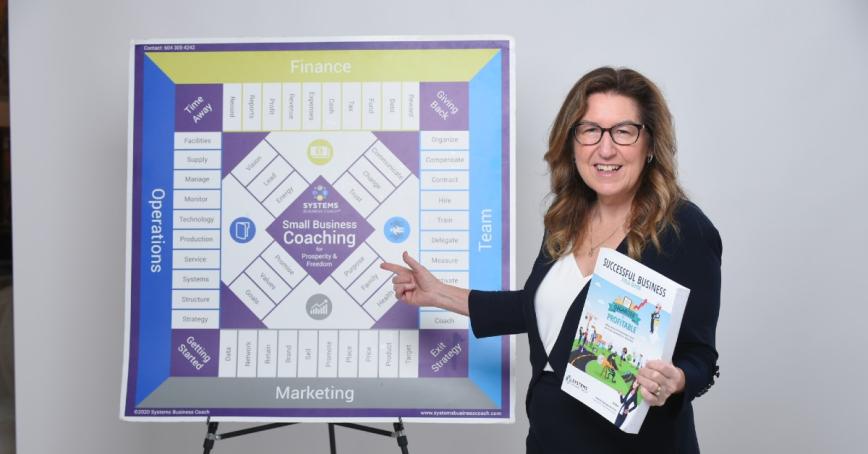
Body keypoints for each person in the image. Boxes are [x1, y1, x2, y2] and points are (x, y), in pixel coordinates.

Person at [381, 67, 721, 453]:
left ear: (651, 144)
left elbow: (701, 357)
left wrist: (674, 380)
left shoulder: (682, 229)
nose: (605, 149)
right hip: (548, 439)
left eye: (623, 131)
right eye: (590, 130)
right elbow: (538, 308)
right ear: (572, 142)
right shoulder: (565, 218)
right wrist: (438, 294)